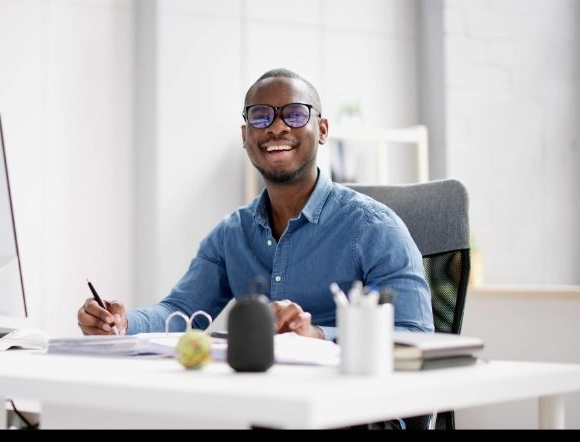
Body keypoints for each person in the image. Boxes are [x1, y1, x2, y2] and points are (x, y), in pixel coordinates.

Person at [78, 68, 433, 339]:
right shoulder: (232, 234)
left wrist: (319, 336)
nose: (276, 128)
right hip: (262, 407)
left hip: (355, 415)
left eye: (295, 114)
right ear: (245, 135)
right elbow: (181, 311)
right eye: (261, 116)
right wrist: (123, 323)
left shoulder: (374, 228)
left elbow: (416, 337)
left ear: (322, 130)